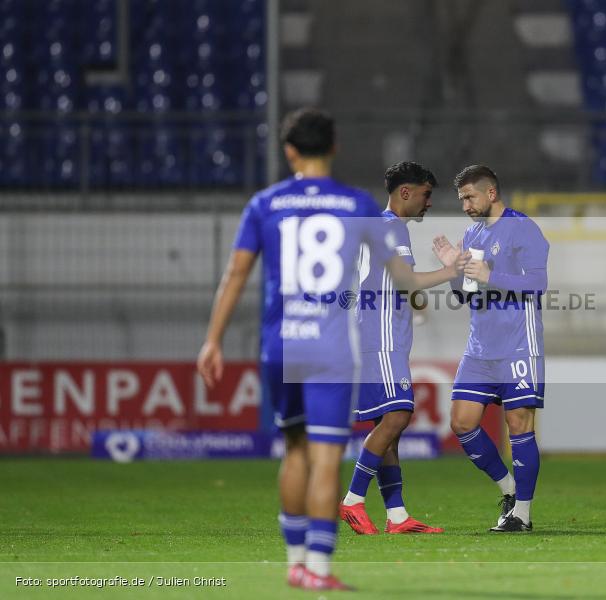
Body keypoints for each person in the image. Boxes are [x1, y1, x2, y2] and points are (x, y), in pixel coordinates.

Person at [196, 109, 459, 590]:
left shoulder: (265, 203)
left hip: (283, 344)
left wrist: (213, 339)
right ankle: (320, 565)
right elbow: (400, 279)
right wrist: (452, 268)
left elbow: (235, 274)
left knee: (294, 451)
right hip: (336, 344)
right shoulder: (355, 206)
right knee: (328, 453)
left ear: (289, 151)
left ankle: (296, 560)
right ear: (334, 147)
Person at [339, 161, 459, 535]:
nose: (429, 203)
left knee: (388, 427)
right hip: (383, 339)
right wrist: (454, 270)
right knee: (397, 417)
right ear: (405, 192)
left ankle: (397, 516)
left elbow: (395, 283)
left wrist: (417, 303)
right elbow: (406, 280)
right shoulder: (392, 229)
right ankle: (352, 501)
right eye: (425, 194)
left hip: (375, 335)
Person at [433, 164, 549, 532]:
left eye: (469, 197)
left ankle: (522, 516)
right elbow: (467, 294)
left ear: (491, 193)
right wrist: (454, 270)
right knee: (462, 422)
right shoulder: (471, 233)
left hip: (518, 345)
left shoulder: (523, 228)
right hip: (480, 347)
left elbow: (538, 283)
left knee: (519, 425)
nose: (465, 205)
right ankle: (510, 489)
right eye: (461, 199)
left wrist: (489, 276)